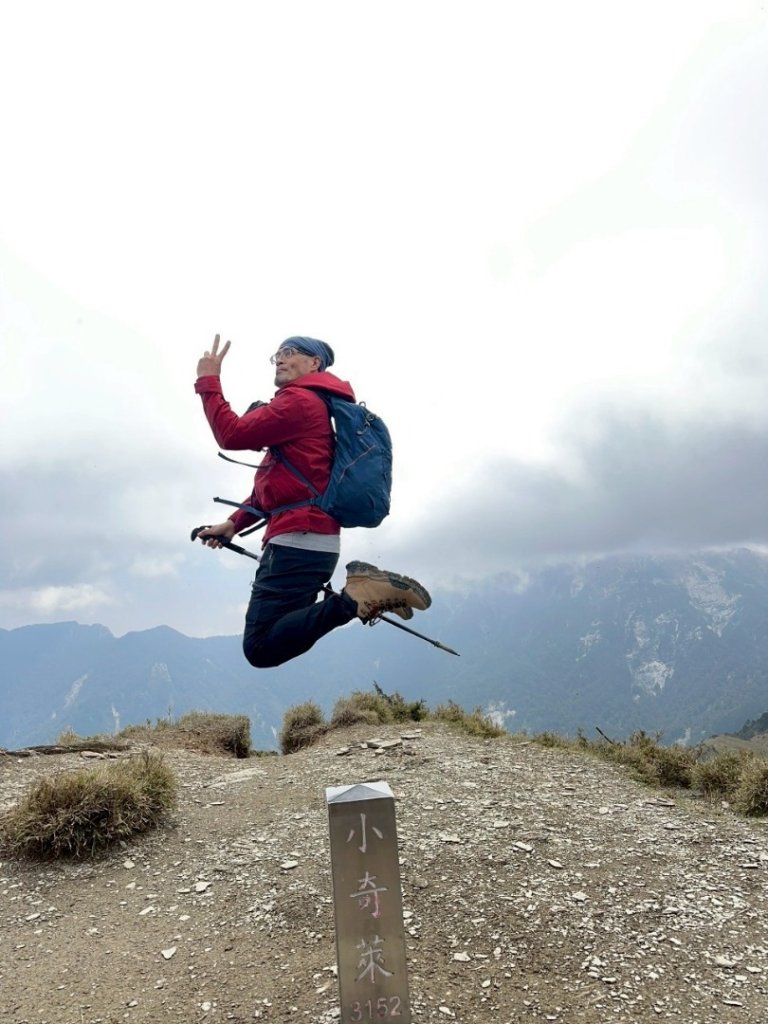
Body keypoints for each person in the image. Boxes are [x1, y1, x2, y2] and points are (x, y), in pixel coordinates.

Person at [194, 334, 431, 668]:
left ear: (314, 363)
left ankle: (358, 597)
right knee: (287, 634)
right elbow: (277, 489)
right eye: (276, 353)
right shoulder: (313, 406)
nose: (279, 358)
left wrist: (208, 380)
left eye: (290, 353)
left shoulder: (299, 402)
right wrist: (234, 523)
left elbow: (230, 434)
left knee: (261, 647)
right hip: (311, 542)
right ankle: (362, 597)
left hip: (296, 543)